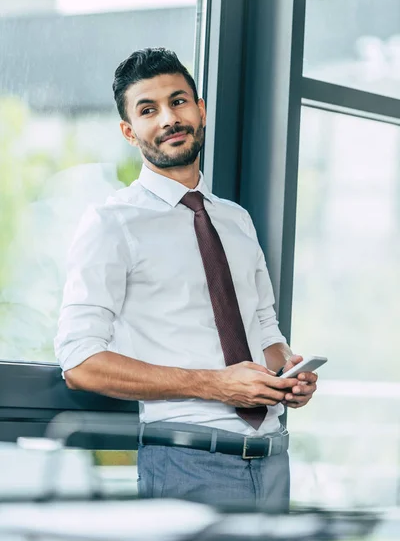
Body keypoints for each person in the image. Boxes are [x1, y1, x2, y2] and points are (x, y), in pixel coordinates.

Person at [55, 47, 318, 510]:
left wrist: (286, 375)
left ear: (200, 110)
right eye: (147, 110)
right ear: (129, 132)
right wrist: (215, 384)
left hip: (274, 459)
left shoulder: (236, 220)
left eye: (178, 101)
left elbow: (265, 331)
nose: (168, 119)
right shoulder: (111, 223)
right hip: (186, 462)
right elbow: (80, 361)